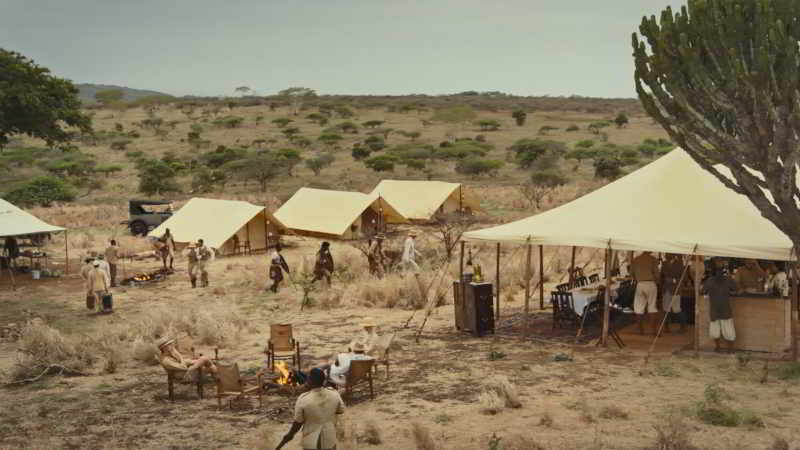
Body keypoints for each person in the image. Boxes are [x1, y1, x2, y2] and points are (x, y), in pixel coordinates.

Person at [275, 368, 344, 450]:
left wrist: (288, 436)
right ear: (324, 380)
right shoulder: (334, 394)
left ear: (309, 381)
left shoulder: (303, 399)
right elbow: (340, 410)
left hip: (311, 443)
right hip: (329, 440)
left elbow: (298, 423)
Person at [702, 260, 738, 353]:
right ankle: (719, 347)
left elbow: (736, 288)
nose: (719, 273)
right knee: (716, 332)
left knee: (728, 331)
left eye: (720, 271)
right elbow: (702, 291)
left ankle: (729, 348)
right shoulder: (712, 280)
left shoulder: (724, 280)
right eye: (717, 271)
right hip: (717, 310)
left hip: (723, 309)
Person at [631, 251, 660, 335]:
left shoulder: (636, 259)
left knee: (638, 309)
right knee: (652, 307)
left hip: (640, 284)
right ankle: (654, 331)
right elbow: (657, 275)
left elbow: (631, 274)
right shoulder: (653, 259)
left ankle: (640, 330)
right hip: (651, 283)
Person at [660, 253, 687, 333]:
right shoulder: (664, 264)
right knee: (665, 309)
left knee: (676, 309)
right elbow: (661, 276)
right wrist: (662, 285)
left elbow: (684, 278)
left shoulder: (679, 264)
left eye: (668, 253)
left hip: (675, 289)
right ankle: (666, 327)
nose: (667, 255)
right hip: (666, 290)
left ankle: (683, 326)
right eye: (666, 254)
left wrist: (673, 280)